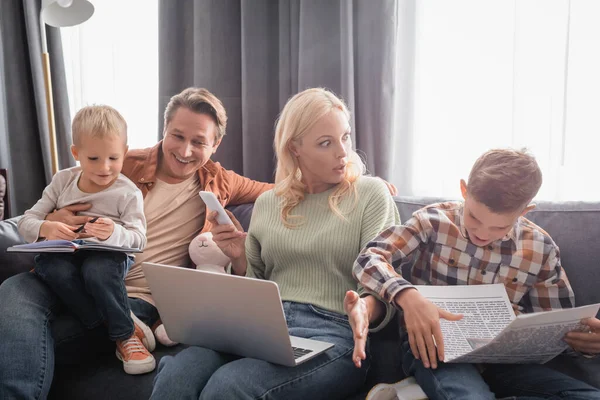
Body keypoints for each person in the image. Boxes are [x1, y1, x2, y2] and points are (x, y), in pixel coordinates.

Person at [0, 87, 271, 399]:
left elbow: (280, 189)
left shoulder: (222, 182)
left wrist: (341, 175)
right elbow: (60, 196)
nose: (185, 150)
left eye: (198, 142)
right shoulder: (120, 162)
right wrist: (56, 217)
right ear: (164, 130)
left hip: (134, 296)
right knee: (12, 289)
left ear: (216, 144)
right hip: (69, 271)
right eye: (177, 136)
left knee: (45, 339)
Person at [150, 87, 400, 400]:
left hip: (333, 334)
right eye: (326, 143)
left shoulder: (371, 195)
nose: (343, 152)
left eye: (345, 137)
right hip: (262, 329)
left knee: (229, 386)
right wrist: (238, 256)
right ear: (295, 148)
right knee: (176, 376)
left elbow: (385, 284)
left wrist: (365, 308)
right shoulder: (269, 203)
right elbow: (256, 283)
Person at [353, 148, 600, 399]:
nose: (482, 233)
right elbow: (369, 257)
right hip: (438, 350)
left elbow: (556, 322)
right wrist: (408, 296)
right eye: (474, 217)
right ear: (464, 190)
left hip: (508, 360)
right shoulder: (432, 221)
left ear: (525, 211)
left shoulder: (540, 248)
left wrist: (585, 342)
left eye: (499, 226)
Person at [17, 105, 153, 374]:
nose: (105, 168)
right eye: (93, 159)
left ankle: (125, 336)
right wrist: (47, 226)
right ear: (76, 153)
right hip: (63, 254)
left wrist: (113, 231)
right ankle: (109, 323)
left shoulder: (127, 192)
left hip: (108, 257)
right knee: (52, 269)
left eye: (114, 158)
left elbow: (139, 240)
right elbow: (25, 221)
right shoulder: (63, 181)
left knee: (97, 270)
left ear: (125, 153)